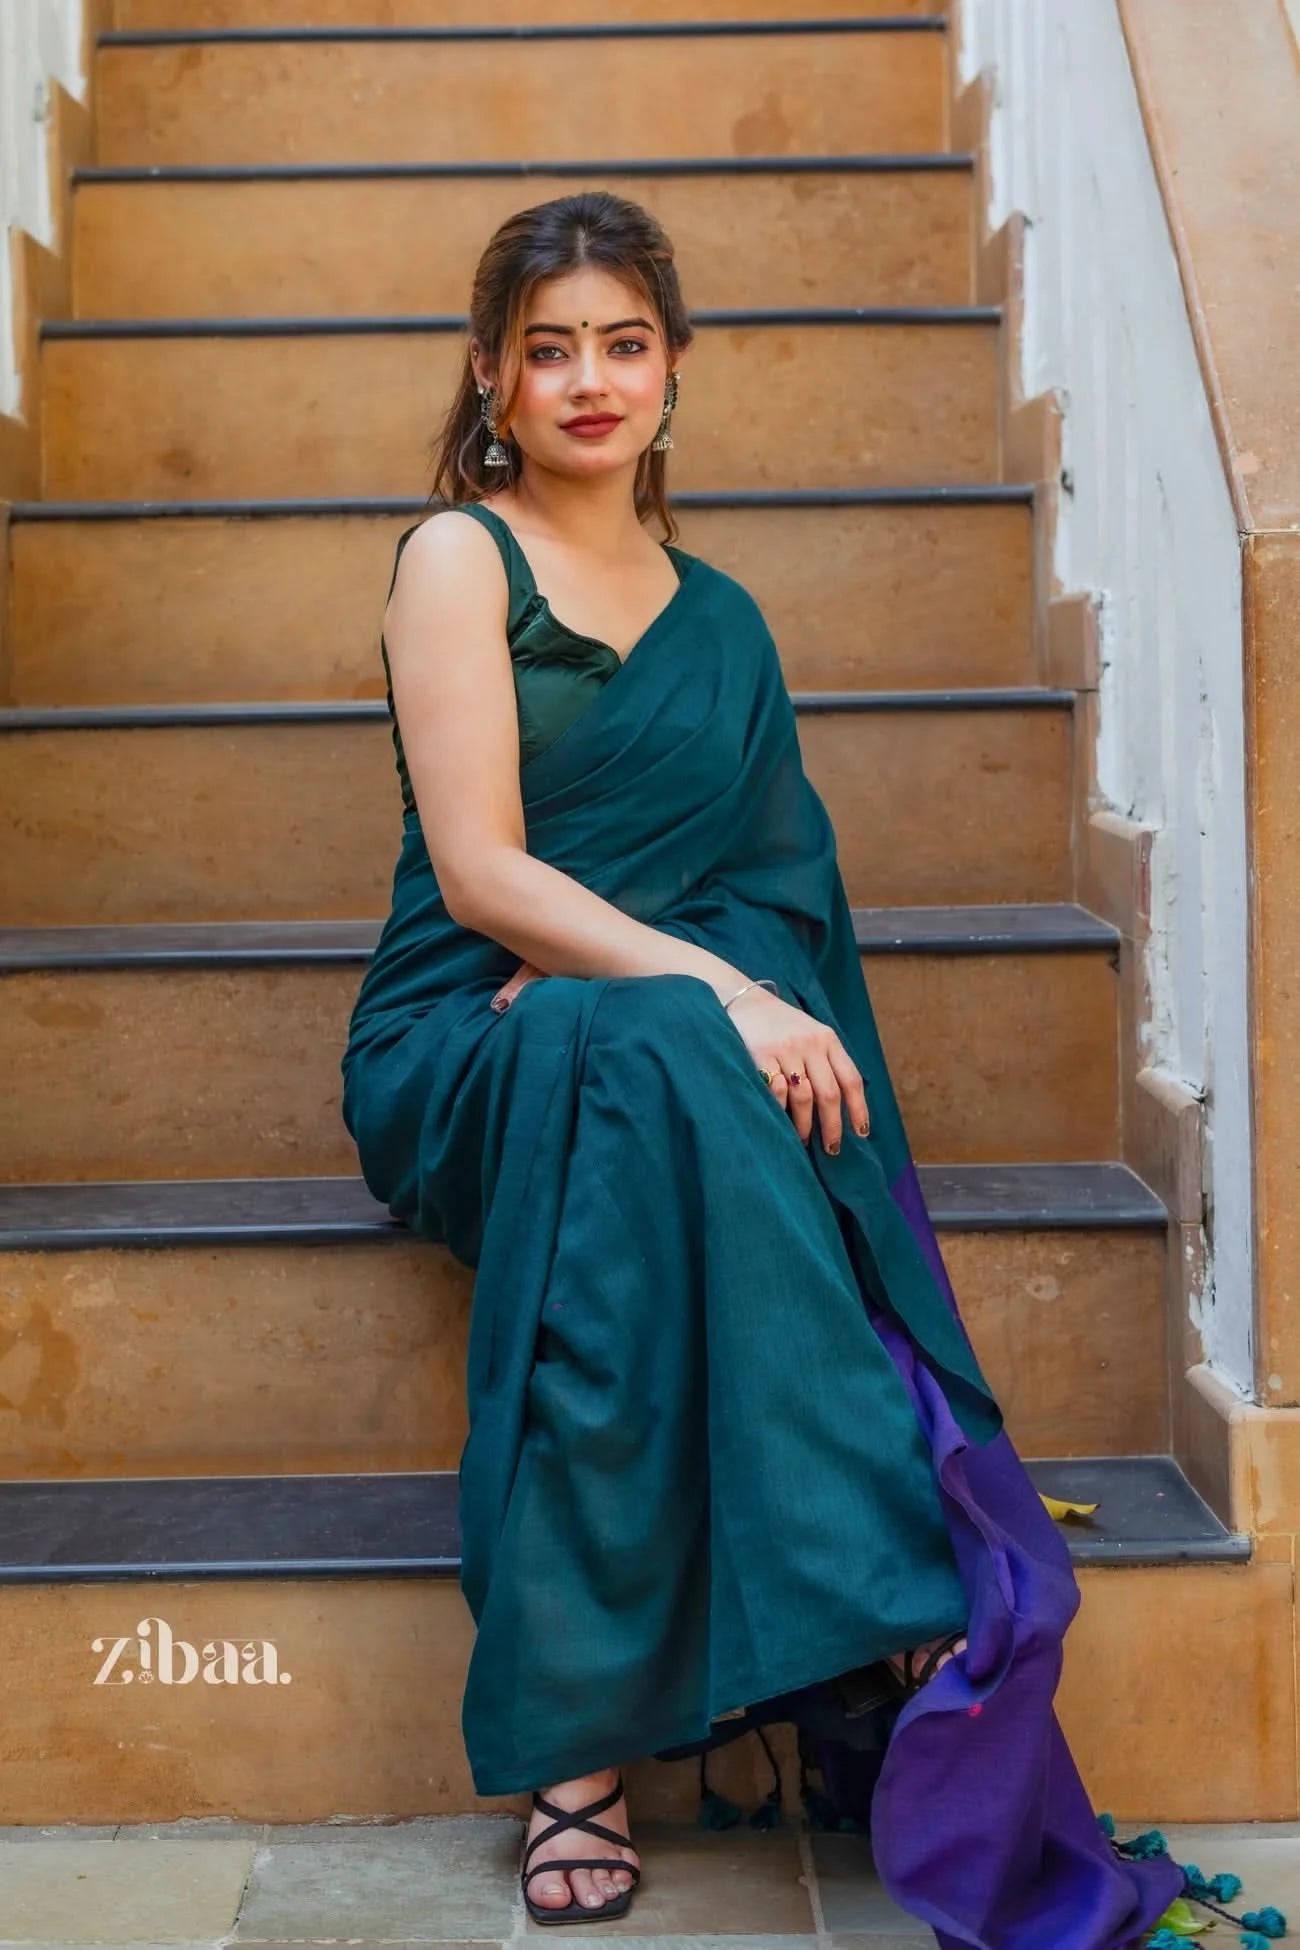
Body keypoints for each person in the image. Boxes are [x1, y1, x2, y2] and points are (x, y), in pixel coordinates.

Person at [340, 190, 1186, 1947]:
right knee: (634, 1033)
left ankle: (575, 1750)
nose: (589, 379)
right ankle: (878, 1575)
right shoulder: (457, 560)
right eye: (550, 347)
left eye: (624, 344)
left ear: (673, 373)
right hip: (457, 1035)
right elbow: (486, 877)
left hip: (622, 1039)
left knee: (630, 1047)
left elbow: (774, 889)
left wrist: (693, 991)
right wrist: (717, 992)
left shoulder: (722, 620)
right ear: (492, 375)